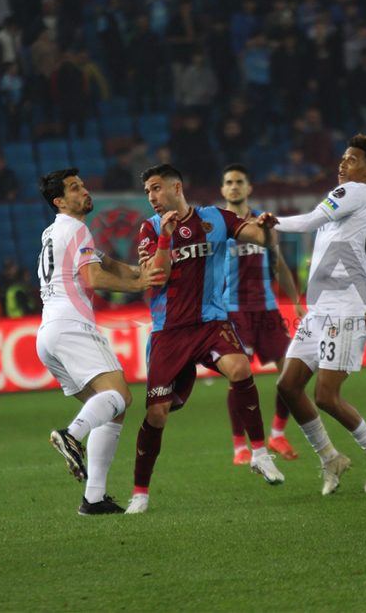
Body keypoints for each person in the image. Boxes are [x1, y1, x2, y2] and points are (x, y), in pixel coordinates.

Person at [126, 164, 285, 514]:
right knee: (157, 414)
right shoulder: (150, 228)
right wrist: (166, 237)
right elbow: (157, 275)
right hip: (169, 331)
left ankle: (260, 453)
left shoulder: (215, 218)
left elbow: (260, 239)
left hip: (210, 323)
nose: (151, 197)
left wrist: (266, 227)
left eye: (156, 188)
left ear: (176, 187)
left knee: (240, 369)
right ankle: (140, 492)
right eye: (147, 191)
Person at [260, 134, 366, 497]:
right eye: (343, 157)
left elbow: (308, 221)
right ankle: (330, 458)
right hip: (323, 307)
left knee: (326, 395)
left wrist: (272, 222)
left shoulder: (353, 191)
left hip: (346, 308)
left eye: (352, 159)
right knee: (288, 386)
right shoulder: (362, 199)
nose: (343, 163)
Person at [37, 168, 165, 515]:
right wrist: (139, 285)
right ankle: (71, 435)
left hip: (48, 333)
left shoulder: (53, 231)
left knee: (112, 409)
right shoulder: (76, 228)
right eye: (74, 188)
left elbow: (103, 261)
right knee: (120, 396)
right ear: (60, 201)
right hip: (72, 326)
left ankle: (93, 498)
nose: (84, 191)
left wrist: (138, 270)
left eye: (82, 185)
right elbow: (92, 277)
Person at [220, 164, 304, 465]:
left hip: (266, 308)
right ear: (222, 189)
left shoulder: (262, 223)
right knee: (239, 377)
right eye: (229, 182)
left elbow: (278, 264)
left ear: (249, 187)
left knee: (290, 374)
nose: (234, 186)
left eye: (239, 181)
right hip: (233, 309)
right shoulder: (217, 225)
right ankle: (239, 447)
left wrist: (295, 301)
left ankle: (277, 434)